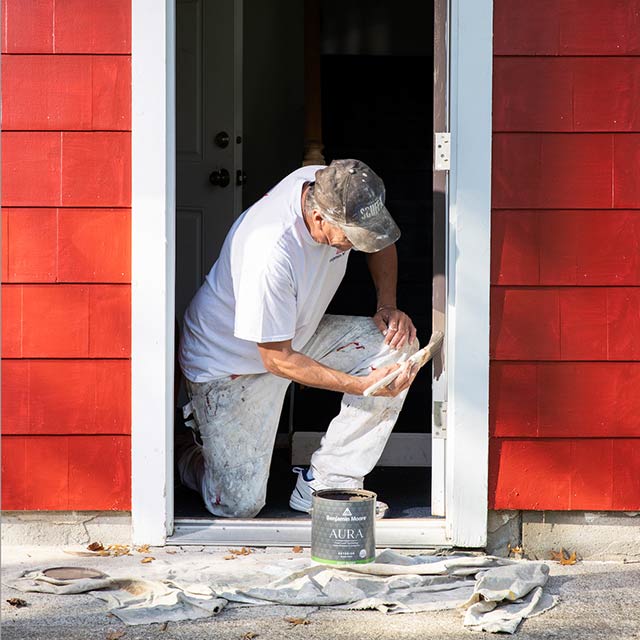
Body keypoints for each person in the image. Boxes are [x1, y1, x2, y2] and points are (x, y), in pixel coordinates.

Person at [177, 159, 420, 519]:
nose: (358, 244)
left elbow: (379, 240)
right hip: (229, 363)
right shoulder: (270, 251)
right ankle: (188, 451)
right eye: (353, 237)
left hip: (291, 336)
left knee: (398, 350)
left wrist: (387, 304)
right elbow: (276, 359)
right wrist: (360, 385)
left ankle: (327, 484)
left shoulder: (334, 186)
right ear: (319, 218)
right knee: (236, 504)